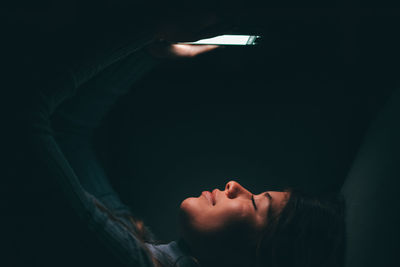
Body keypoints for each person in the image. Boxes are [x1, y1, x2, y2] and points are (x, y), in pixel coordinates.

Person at [7, 7, 345, 267]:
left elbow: (21, 112)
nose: (234, 185)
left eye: (257, 204)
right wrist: (148, 53)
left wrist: (152, 26)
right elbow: (69, 131)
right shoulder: (141, 243)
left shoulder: (132, 259)